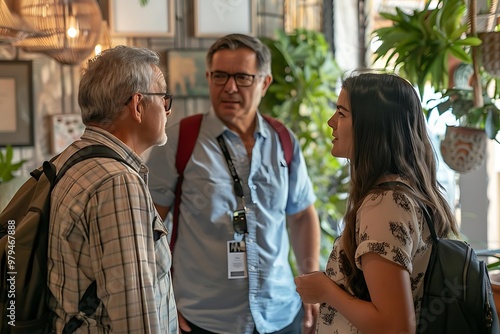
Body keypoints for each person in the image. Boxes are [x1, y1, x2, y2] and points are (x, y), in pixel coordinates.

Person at [146, 34, 321, 334]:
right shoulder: (179, 140)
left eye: (242, 77)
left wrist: (311, 278)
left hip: (280, 313)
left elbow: (302, 213)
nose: (230, 87)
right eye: (220, 76)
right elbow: (149, 227)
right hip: (204, 318)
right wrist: (163, 294)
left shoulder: (283, 141)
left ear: (264, 83)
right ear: (208, 78)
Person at [294, 72, 459, 333]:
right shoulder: (405, 192)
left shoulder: (385, 204)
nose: (331, 122)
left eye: (342, 113)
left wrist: (325, 290)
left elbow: (395, 326)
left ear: (371, 126)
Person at [47, 45, 179, 333]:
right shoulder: (118, 183)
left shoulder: (72, 158)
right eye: (164, 98)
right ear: (138, 105)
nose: (168, 110)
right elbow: (135, 317)